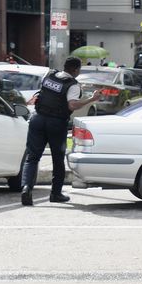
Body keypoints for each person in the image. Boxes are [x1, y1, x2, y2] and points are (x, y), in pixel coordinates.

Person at [20, 57, 103, 206]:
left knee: (32, 158)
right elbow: (72, 105)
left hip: (37, 119)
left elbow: (42, 93)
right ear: (76, 70)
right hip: (56, 123)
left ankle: (26, 188)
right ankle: (56, 194)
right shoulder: (72, 85)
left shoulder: (50, 75)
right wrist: (91, 99)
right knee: (58, 160)